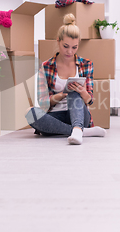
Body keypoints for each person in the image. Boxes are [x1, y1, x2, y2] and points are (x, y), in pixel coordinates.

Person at [25, 13, 107, 145]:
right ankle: (80, 131)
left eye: (74, 47)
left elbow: (89, 100)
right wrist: (62, 94)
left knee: (74, 93)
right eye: (66, 46)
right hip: (55, 118)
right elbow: (43, 103)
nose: (70, 51)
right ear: (58, 41)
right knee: (30, 113)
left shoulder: (86, 64)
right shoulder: (46, 66)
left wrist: (82, 92)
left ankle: (77, 127)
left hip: (79, 115)